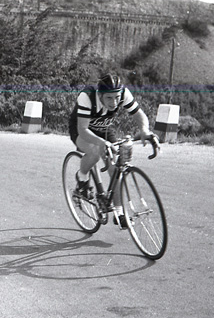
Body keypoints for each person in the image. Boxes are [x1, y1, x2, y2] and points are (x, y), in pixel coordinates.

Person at [68, 74, 160, 228]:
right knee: (94, 152)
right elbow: (83, 130)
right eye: (109, 98)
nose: (114, 102)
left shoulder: (123, 93)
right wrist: (102, 143)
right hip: (81, 129)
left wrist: (145, 130)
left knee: (116, 166)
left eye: (117, 98)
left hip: (104, 128)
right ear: (100, 95)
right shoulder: (87, 96)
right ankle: (82, 177)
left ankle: (119, 213)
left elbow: (139, 114)